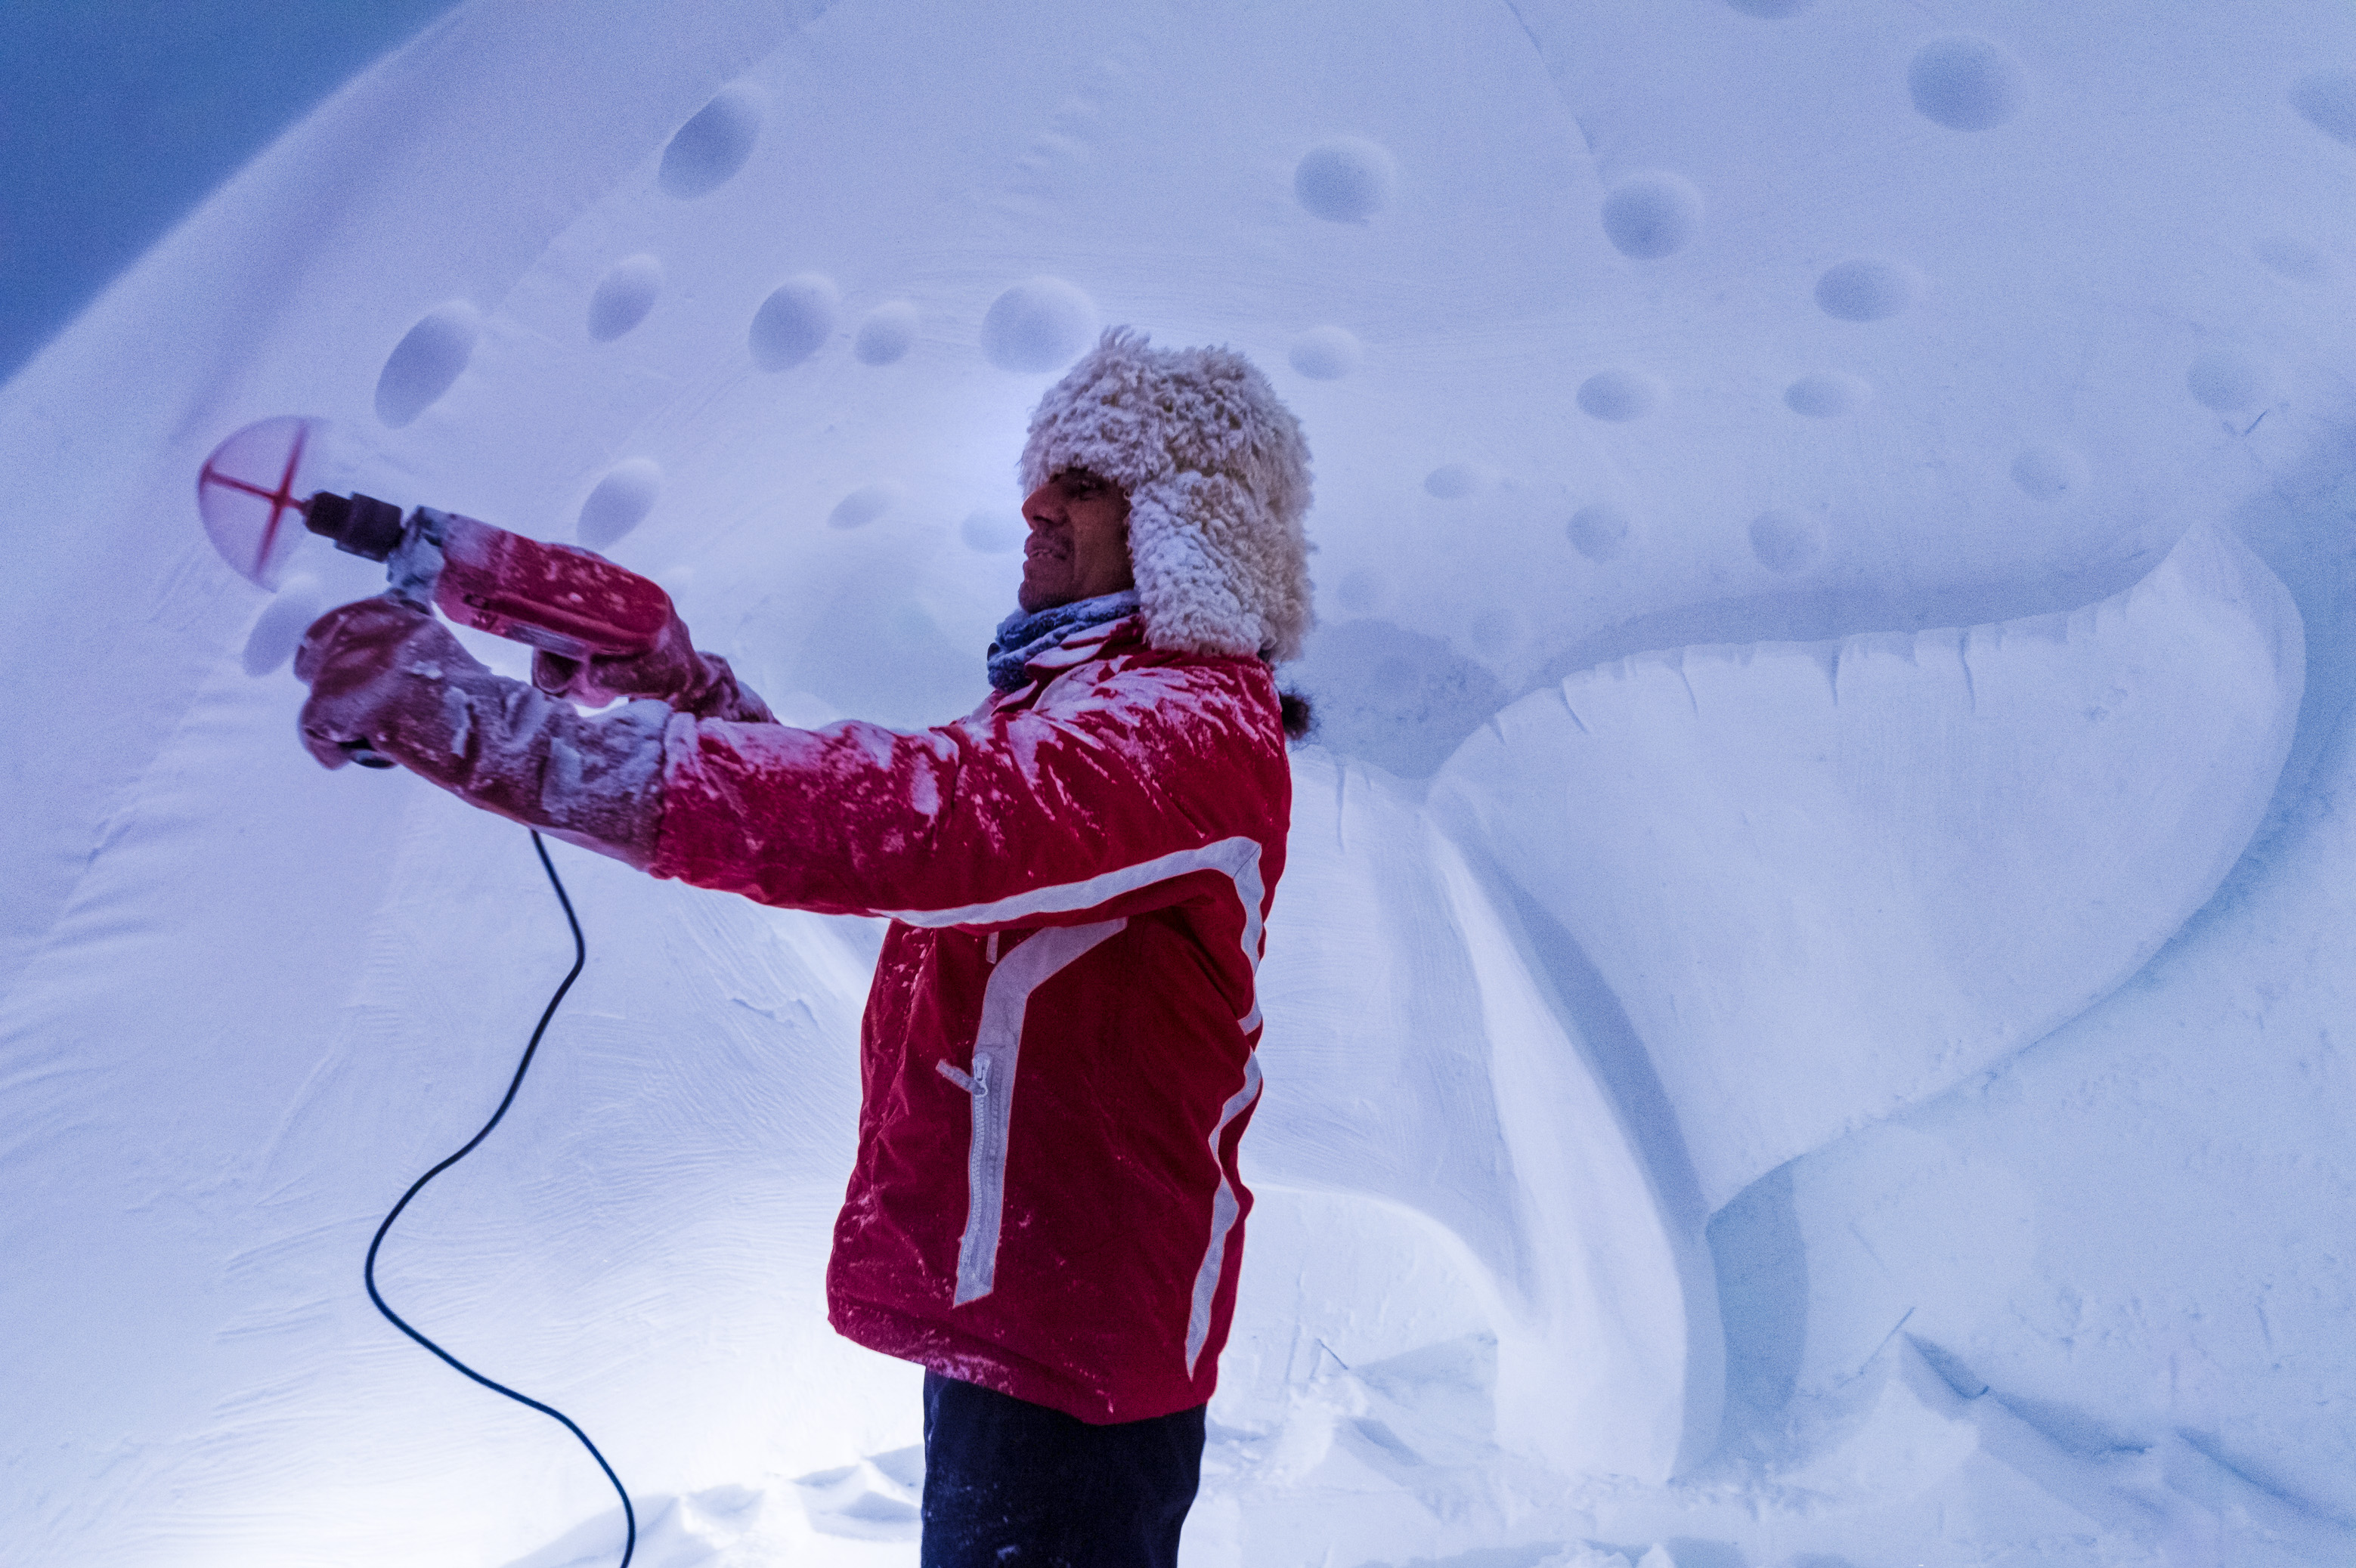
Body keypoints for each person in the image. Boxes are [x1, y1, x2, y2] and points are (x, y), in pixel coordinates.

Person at [292, 328, 1316, 1566]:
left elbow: (909, 828)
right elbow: (923, 828)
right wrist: (683, 690)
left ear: (1187, 525)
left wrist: (495, 732)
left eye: (1086, 481)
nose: (1035, 503)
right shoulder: (1081, 704)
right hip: (1020, 1302)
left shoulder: (1189, 728)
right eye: (1042, 474)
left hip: (1082, 1347)